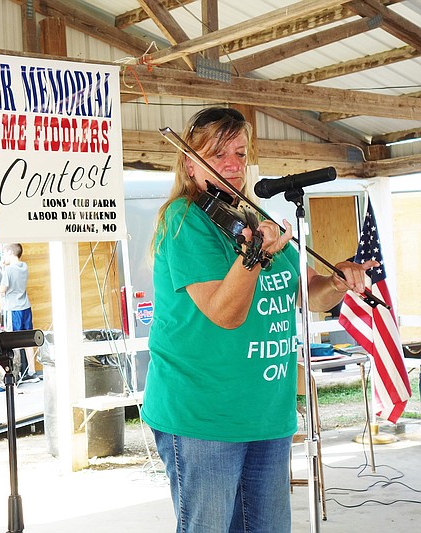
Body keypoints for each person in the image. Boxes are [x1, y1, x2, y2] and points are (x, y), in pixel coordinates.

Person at [140, 106, 377, 533]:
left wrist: (339, 281)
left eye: (240, 153)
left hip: (266, 412)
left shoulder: (255, 220)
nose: (233, 164)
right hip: (204, 414)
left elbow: (310, 294)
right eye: (218, 154)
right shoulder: (184, 220)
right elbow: (224, 313)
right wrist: (254, 257)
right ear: (190, 163)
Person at [0, 243, 37, 381]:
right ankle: (32, 371)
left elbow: (2, 289)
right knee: (28, 340)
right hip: (25, 307)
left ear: (9, 252)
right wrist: (4, 266)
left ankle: (17, 372)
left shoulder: (9, 270)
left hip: (13, 309)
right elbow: (13, 279)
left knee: (13, 341)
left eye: (4, 253)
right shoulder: (24, 267)